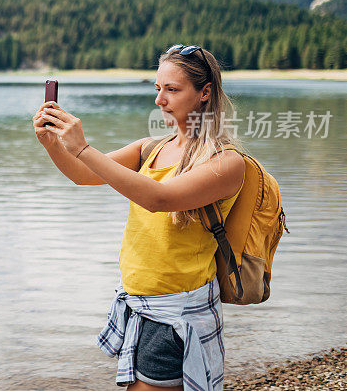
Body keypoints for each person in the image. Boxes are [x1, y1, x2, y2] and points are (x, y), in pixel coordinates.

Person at [31, 45, 245, 391]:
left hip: (177, 315)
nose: (160, 99)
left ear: (205, 93)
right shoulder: (151, 148)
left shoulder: (226, 162)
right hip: (140, 306)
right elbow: (84, 175)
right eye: (157, 88)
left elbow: (159, 199)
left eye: (172, 89)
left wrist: (83, 147)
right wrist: (52, 143)